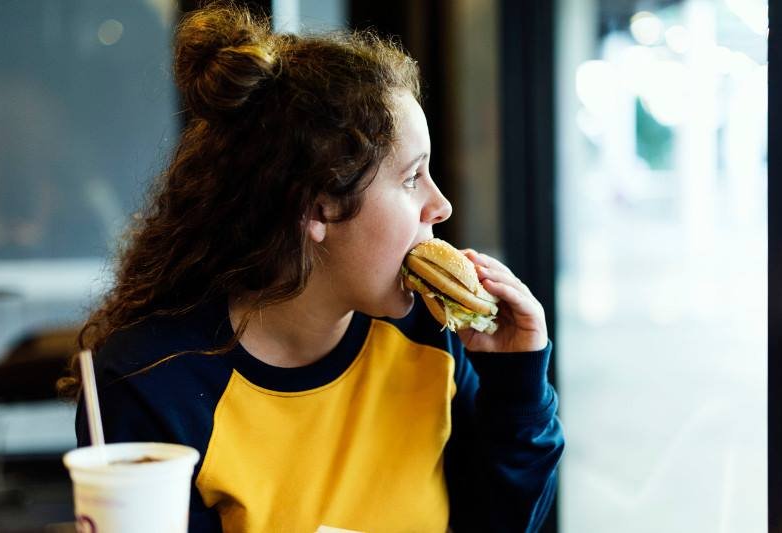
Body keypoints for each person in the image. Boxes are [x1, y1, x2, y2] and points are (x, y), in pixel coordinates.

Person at [58, 3, 564, 532]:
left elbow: (501, 522)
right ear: (317, 208)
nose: (441, 206)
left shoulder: (432, 339)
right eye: (412, 178)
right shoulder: (153, 383)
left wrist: (518, 385)